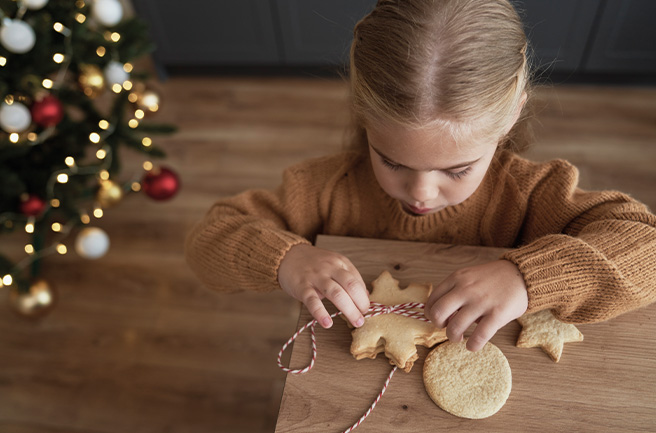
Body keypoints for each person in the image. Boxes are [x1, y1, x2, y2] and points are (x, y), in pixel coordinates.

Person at [184, 0, 656, 352]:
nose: (421, 193)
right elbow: (208, 243)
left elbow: (646, 248)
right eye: (392, 162)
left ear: (513, 112)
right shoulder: (323, 189)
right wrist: (286, 261)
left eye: (457, 169)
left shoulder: (532, 193)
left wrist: (526, 278)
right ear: (363, 116)